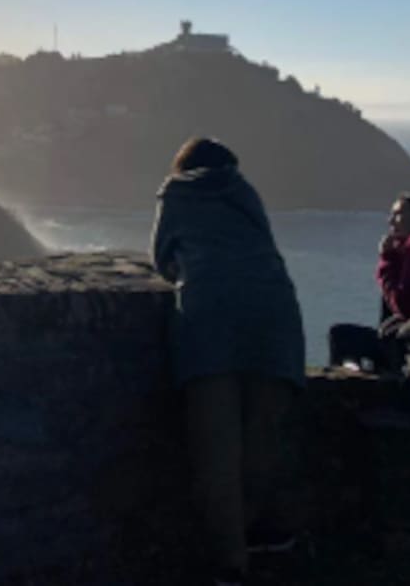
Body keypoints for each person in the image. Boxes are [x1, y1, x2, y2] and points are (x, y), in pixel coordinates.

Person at [151, 137, 306, 586]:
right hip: (273, 314)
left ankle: (230, 563)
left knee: (216, 444)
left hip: (211, 320)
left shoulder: (176, 194)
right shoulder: (244, 192)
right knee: (264, 432)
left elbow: (162, 258)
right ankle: (265, 531)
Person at [377, 192, 410, 368]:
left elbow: (403, 304)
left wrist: (387, 259)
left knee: (342, 337)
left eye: (398, 214)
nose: (391, 221)